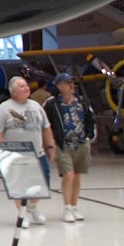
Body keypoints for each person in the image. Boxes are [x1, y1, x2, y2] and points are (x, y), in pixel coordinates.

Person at [0, 75, 55, 225]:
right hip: (16, 155)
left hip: (37, 153)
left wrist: (50, 146)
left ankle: (32, 207)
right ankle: (22, 213)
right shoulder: (4, 108)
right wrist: (0, 152)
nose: (26, 88)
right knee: (19, 185)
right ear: (13, 92)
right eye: (21, 86)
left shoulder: (36, 106)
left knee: (42, 183)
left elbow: (46, 127)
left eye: (26, 85)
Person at [43, 72, 95, 222]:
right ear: (59, 86)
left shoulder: (81, 101)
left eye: (72, 82)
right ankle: (67, 207)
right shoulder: (52, 104)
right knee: (68, 175)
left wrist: (89, 136)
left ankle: (74, 206)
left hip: (81, 143)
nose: (72, 86)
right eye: (67, 83)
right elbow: (45, 123)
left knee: (77, 176)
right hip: (63, 144)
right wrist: (50, 143)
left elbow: (89, 119)